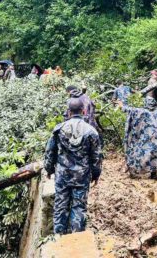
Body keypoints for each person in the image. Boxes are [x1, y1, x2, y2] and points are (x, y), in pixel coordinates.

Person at [44, 98, 102, 235]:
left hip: (63, 175)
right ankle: (77, 238)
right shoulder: (91, 132)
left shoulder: (59, 129)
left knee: (60, 206)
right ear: (84, 111)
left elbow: (50, 151)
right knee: (79, 207)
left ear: (68, 112)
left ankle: (58, 238)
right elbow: (96, 157)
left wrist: (49, 169)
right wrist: (96, 174)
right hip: (82, 176)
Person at [118, 96, 157, 179]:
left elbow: (129, 110)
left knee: (149, 154)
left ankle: (153, 173)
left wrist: (121, 105)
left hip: (150, 136)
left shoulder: (141, 111)